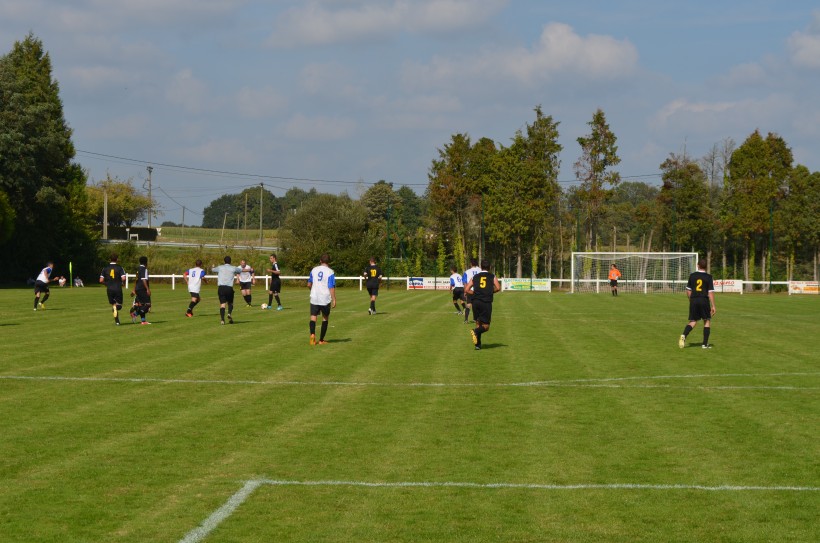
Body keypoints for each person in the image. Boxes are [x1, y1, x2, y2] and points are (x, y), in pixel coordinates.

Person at [679, 259, 716, 349]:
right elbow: (710, 292)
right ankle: (704, 344)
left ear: (697, 265)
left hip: (694, 300)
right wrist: (713, 305)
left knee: (693, 321)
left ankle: (684, 335)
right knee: (706, 320)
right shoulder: (709, 277)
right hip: (704, 300)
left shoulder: (692, 276)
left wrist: (691, 300)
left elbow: (688, 290)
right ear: (706, 266)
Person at [465, 259, 501, 351]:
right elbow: (498, 288)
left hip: (476, 302)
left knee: (478, 322)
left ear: (481, 267)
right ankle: (475, 331)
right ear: (489, 267)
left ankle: (478, 345)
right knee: (486, 326)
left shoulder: (475, 276)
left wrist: (475, 293)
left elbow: (466, 289)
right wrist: (490, 292)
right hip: (486, 302)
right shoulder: (492, 276)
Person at [307, 253, 336, 345]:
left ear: (320, 261)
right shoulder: (330, 272)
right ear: (329, 262)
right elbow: (331, 287)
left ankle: (312, 334)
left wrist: (312, 290)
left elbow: (309, 284)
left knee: (313, 316)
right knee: (325, 318)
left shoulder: (314, 270)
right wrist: (334, 299)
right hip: (325, 298)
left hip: (314, 296)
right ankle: (321, 340)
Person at [212, 256, 242, 325]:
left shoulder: (220, 267)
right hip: (229, 288)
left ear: (224, 261)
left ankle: (222, 320)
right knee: (230, 303)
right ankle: (229, 314)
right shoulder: (233, 268)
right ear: (230, 261)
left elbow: (213, 270)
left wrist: (213, 266)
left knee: (222, 304)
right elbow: (240, 270)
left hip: (221, 288)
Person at [99, 254, 127, 325]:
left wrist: (107, 284)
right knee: (119, 306)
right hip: (117, 288)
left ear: (110, 259)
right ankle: (116, 310)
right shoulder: (120, 268)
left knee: (113, 305)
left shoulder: (105, 268)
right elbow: (124, 278)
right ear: (117, 259)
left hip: (109, 289)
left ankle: (117, 322)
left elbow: (101, 280)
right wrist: (123, 283)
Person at [131, 255, 152, 324]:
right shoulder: (144, 269)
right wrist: (147, 289)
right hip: (142, 289)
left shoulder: (138, 269)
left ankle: (143, 321)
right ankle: (135, 314)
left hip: (138, 289)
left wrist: (134, 289)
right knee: (148, 305)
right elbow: (143, 280)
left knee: (142, 305)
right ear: (146, 262)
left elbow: (136, 280)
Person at [462, 258, 482, 324]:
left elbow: (465, 283)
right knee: (478, 305)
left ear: (471, 264)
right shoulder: (480, 270)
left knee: (468, 305)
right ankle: (477, 319)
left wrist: (465, 291)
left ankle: (466, 320)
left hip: (470, 290)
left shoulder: (467, 272)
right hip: (479, 290)